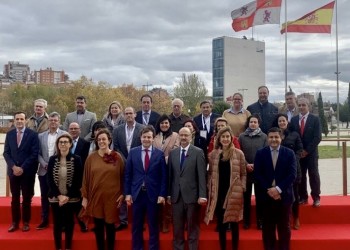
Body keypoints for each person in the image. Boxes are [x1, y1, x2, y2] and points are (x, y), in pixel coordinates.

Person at [125, 126, 167, 250]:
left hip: (153, 195)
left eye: (149, 137)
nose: (146, 139)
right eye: (144, 137)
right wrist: (127, 193)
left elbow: (164, 176)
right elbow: (128, 174)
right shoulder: (133, 152)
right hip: (137, 195)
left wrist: (162, 194)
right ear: (140, 138)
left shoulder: (159, 154)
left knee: (153, 225)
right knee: (136, 225)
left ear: (153, 138)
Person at [81, 129, 125, 250]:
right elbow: (86, 178)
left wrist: (123, 193)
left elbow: (123, 176)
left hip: (112, 198)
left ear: (109, 140)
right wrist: (85, 197)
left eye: (104, 139)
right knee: (99, 227)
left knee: (110, 226)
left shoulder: (117, 157)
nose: (101, 141)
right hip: (96, 197)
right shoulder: (91, 158)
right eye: (99, 139)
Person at [254, 127, 297, 250]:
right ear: (267, 138)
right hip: (266, 197)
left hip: (284, 197)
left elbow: (292, 175)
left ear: (281, 138)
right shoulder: (260, 153)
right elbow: (258, 174)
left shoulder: (289, 153)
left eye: (276, 137)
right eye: (271, 137)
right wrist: (270, 190)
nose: (273, 139)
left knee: (284, 227)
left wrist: (278, 189)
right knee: (268, 228)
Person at [204, 127, 246, 250]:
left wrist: (242, 187)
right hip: (219, 193)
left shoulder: (239, 153)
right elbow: (210, 173)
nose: (226, 139)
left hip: (234, 192)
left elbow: (243, 173)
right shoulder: (213, 155)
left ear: (231, 138)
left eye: (228, 136)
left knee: (234, 223)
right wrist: (209, 187)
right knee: (221, 224)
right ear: (219, 139)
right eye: (223, 137)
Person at [167, 127, 207, 250]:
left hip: (192, 197)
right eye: (181, 135)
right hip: (176, 197)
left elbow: (202, 175)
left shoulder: (198, 152)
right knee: (177, 228)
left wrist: (202, 195)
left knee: (192, 227)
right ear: (178, 136)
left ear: (191, 137)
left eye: (186, 135)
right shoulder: (173, 153)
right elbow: (170, 176)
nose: (183, 137)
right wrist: (169, 194)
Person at [3, 111, 40, 232]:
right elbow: (6, 153)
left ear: (26, 120)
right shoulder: (9, 134)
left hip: (27, 172)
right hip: (13, 172)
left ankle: (26, 222)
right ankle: (15, 223)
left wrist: (22, 168)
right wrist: (13, 167)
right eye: (17, 119)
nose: (19, 121)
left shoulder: (33, 135)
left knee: (26, 199)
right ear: (14, 121)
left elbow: (34, 154)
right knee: (14, 199)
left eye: (21, 119)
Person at [47, 134, 83, 250]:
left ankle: (68, 247)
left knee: (69, 223)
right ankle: (58, 247)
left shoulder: (76, 159)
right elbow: (50, 179)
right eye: (60, 142)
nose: (63, 144)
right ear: (58, 145)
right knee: (57, 223)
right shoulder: (52, 159)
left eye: (65, 142)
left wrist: (66, 196)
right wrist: (59, 195)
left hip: (71, 198)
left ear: (70, 144)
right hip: (55, 197)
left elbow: (78, 179)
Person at [113, 107, 145, 231]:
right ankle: (123, 220)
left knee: (138, 192)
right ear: (124, 115)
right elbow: (115, 147)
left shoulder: (142, 128)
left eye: (131, 113)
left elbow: (144, 145)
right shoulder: (117, 130)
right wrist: (125, 160)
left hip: (138, 165)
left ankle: (140, 222)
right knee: (123, 190)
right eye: (126, 113)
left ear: (135, 114)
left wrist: (132, 160)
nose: (129, 115)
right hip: (122, 163)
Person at [37, 112, 68, 230]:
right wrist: (44, 163)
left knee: (60, 195)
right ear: (48, 121)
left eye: (55, 120)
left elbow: (66, 151)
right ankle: (44, 220)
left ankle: (62, 222)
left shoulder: (64, 134)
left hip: (59, 171)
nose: (53, 122)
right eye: (51, 120)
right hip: (43, 170)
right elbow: (37, 153)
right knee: (44, 196)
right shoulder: (41, 136)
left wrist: (54, 164)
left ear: (59, 121)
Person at [273, 114, 303, 230]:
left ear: (287, 122)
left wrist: (290, 158)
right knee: (280, 195)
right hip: (277, 169)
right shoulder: (274, 135)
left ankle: (296, 218)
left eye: (283, 121)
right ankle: (283, 219)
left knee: (294, 195)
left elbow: (300, 149)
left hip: (292, 168)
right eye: (279, 121)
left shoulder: (294, 134)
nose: (281, 123)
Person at [291, 98, 322, 207]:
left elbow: (317, 137)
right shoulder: (294, 120)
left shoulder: (315, 119)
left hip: (311, 153)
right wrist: (300, 151)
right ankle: (303, 197)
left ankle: (316, 197)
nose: (301, 107)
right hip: (299, 154)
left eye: (303, 105)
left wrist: (307, 150)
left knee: (313, 175)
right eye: (299, 105)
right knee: (301, 176)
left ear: (308, 106)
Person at [238, 114, 267, 230]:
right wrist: (246, 164)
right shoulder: (241, 136)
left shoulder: (264, 137)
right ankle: (246, 221)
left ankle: (260, 221)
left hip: (259, 172)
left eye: (255, 122)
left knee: (260, 198)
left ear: (258, 124)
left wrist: (256, 165)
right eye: (251, 122)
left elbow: (266, 152)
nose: (253, 124)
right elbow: (239, 152)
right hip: (246, 171)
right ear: (248, 123)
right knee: (246, 198)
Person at [153, 114, 179, 233]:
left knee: (168, 195)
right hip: (156, 169)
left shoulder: (175, 135)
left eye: (166, 123)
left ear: (169, 124)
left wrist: (165, 158)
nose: (164, 125)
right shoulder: (154, 136)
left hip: (170, 168)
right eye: (162, 123)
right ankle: (157, 220)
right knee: (157, 194)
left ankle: (166, 221)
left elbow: (176, 149)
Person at [68, 122, 90, 232]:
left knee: (80, 202)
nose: (73, 130)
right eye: (71, 128)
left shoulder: (85, 143)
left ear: (80, 130)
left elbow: (86, 160)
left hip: (80, 177)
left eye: (75, 128)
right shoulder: (64, 142)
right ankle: (66, 223)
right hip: (66, 176)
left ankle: (82, 223)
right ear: (68, 130)